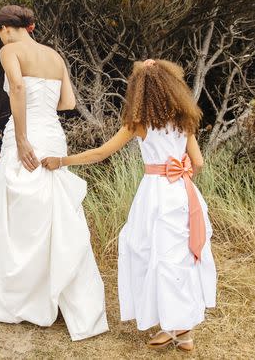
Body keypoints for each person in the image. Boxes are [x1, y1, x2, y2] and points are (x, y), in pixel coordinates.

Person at [42, 59, 217, 351]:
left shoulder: (138, 125)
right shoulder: (184, 122)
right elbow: (197, 163)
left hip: (156, 195)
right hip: (184, 194)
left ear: (139, 92)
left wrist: (62, 161)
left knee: (155, 255)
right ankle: (181, 329)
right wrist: (182, 171)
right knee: (181, 258)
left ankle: (177, 326)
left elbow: (100, 153)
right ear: (173, 87)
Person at [0, 5, 109, 341]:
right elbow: (67, 102)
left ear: (5, 29)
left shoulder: (10, 51)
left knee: (17, 208)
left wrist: (20, 137)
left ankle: (18, 291)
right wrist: (42, 103)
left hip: (27, 133)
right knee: (51, 210)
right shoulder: (54, 56)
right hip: (53, 134)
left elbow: (16, 88)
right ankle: (53, 290)